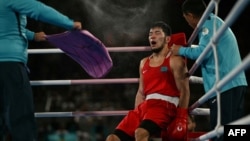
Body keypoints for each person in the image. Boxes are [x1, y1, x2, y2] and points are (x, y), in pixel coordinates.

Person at [0, 0, 82, 140]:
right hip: (9, 64)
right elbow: (38, 9)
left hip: (7, 63)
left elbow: (6, 24)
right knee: (21, 117)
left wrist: (32, 35)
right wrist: (69, 24)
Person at [171, 0, 248, 140]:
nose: (187, 21)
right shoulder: (214, 22)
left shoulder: (208, 25)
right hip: (235, 83)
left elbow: (202, 52)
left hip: (224, 85)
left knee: (220, 132)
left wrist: (180, 49)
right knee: (233, 131)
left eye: (185, 18)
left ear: (189, 15)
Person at [105, 21, 190, 141]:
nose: (152, 36)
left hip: (164, 106)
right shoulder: (143, 62)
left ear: (167, 39)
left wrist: (181, 117)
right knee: (112, 138)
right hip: (144, 107)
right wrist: (137, 114)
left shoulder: (175, 61)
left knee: (141, 132)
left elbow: (185, 90)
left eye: (157, 33)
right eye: (150, 34)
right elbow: (141, 92)